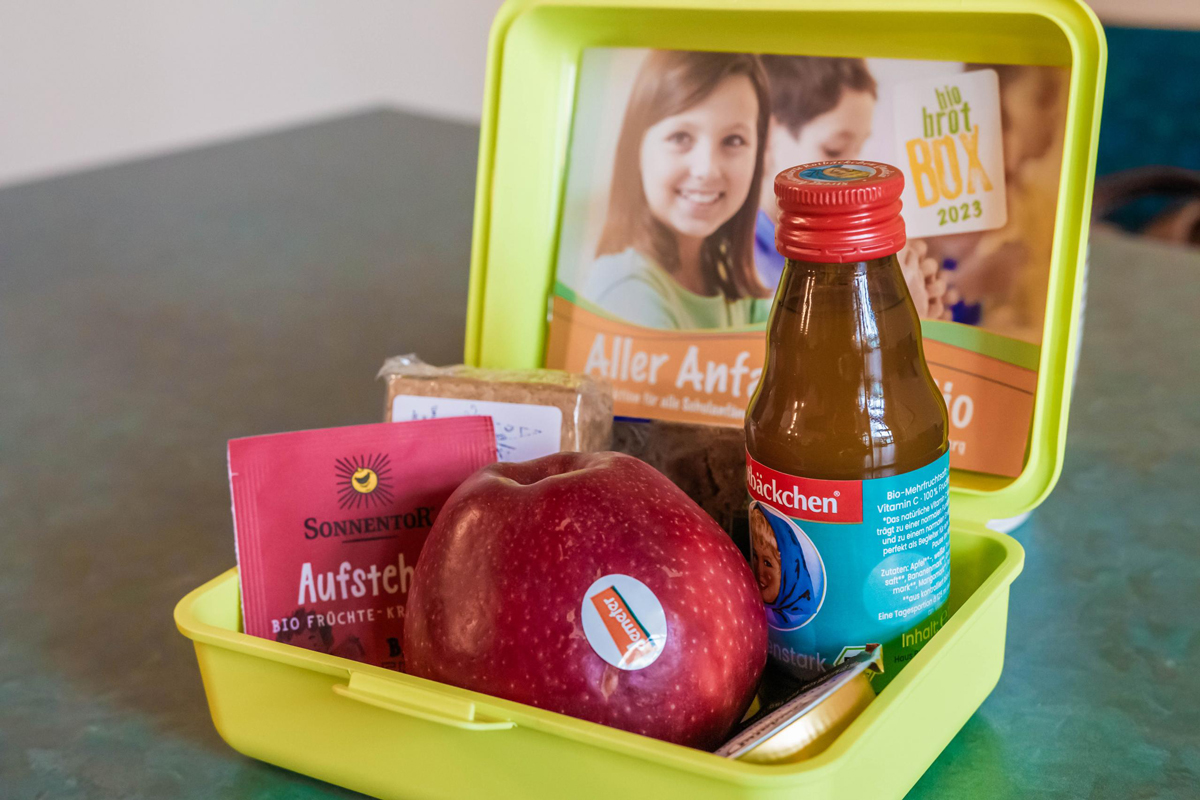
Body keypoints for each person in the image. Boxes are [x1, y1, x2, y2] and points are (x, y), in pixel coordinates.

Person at [582, 51, 774, 330]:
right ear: (637, 147)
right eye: (680, 137)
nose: (707, 169)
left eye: (733, 140)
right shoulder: (628, 290)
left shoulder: (731, 280)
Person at [755, 56, 952, 318]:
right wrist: (892, 314)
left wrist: (920, 320)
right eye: (833, 150)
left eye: (858, 153)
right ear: (768, 135)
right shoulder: (747, 264)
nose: (852, 178)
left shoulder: (839, 252)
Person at [749, 504, 822, 629]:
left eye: (768, 563)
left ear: (789, 571)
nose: (759, 571)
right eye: (755, 557)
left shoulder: (803, 614)